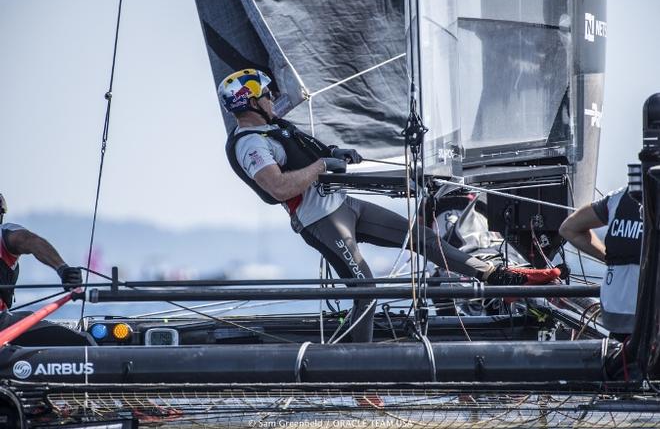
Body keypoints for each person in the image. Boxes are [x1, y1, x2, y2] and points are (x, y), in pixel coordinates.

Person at [219, 68, 558, 342]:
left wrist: (333, 154)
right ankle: (360, 377)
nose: (273, 99)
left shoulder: (272, 129)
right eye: (267, 95)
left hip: (343, 205)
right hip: (320, 219)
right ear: (249, 103)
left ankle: (498, 276)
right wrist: (321, 166)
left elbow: (307, 153)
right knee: (366, 289)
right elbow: (278, 187)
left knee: (424, 239)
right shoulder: (250, 145)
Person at [0, 193, 92, 346]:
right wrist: (62, 269)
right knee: (82, 342)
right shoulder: (5, 235)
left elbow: (30, 242)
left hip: (4, 326)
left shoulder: (5, 235)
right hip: (3, 326)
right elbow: (31, 241)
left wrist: (63, 269)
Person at [559, 187, 642, 339]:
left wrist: (613, 258)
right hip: (646, 317)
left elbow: (569, 228)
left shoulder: (618, 198)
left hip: (616, 312)